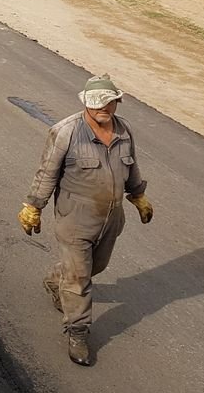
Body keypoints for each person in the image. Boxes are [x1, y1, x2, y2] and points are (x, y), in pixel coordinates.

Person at [18, 74, 153, 366]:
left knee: (95, 266)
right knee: (80, 277)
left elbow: (132, 168)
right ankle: (77, 331)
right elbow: (46, 173)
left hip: (112, 217)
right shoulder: (65, 132)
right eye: (97, 103)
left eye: (109, 102)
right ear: (86, 104)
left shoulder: (124, 129)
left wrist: (139, 196)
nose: (103, 108)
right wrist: (33, 206)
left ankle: (57, 279)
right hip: (75, 217)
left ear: (117, 101)